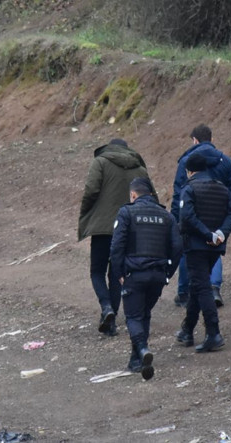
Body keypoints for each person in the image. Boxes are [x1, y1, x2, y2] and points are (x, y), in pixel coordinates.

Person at [79, 139, 153, 336]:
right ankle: (111, 322)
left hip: (103, 227)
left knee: (97, 271)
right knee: (116, 274)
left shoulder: (101, 162)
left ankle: (106, 308)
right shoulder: (140, 168)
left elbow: (91, 190)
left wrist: (87, 212)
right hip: (129, 229)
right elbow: (150, 197)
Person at [110, 178, 182, 379]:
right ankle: (136, 360)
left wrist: (119, 274)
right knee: (144, 314)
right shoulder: (166, 216)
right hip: (158, 275)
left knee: (133, 316)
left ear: (133, 195)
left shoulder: (126, 212)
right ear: (151, 194)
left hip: (134, 274)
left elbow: (116, 246)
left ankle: (142, 350)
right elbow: (177, 248)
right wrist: (168, 273)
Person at [175, 152, 231, 353]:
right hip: (215, 247)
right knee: (198, 285)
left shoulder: (189, 188)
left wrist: (206, 234)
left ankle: (213, 332)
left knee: (202, 288)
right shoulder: (222, 188)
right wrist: (220, 233)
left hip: (195, 247)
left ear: (189, 171)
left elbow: (186, 217)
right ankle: (187, 330)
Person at [171, 124, 231, 308]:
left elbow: (178, 192)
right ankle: (214, 287)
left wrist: (176, 218)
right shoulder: (225, 160)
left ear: (195, 140)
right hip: (218, 212)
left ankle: (185, 292)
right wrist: (226, 205)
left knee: (189, 249)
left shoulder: (187, 160)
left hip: (192, 212)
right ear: (211, 139)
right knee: (215, 247)